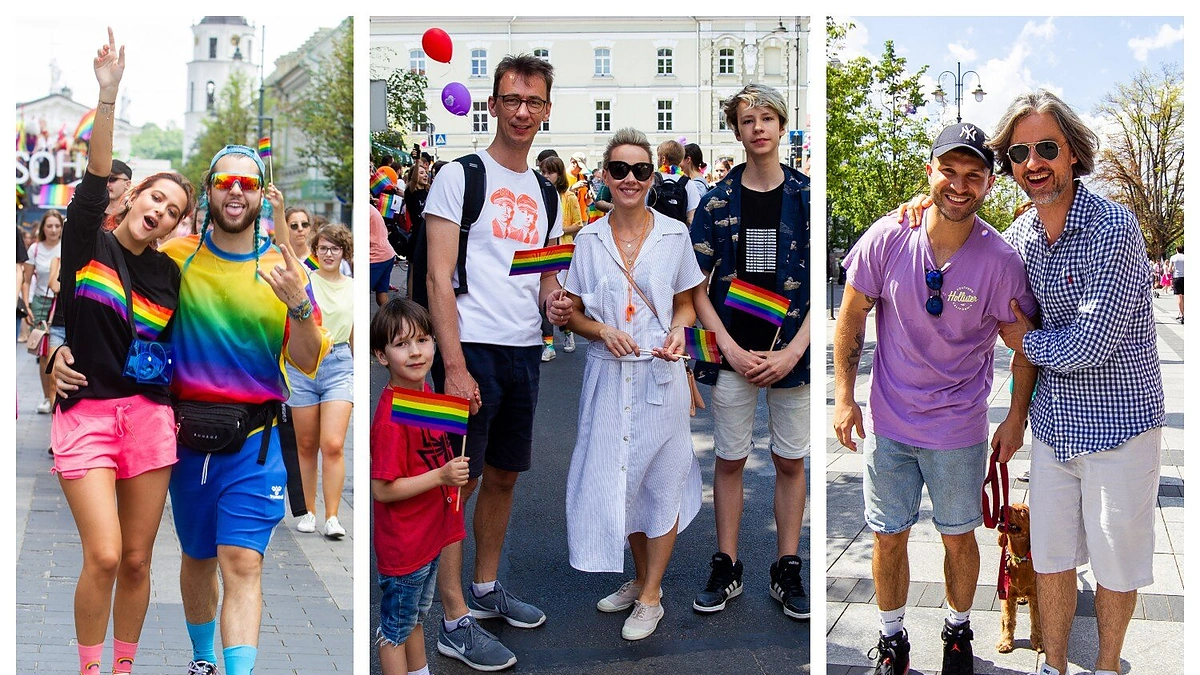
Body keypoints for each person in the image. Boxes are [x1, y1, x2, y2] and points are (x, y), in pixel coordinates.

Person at [835, 121, 1037, 675]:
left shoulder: (1000, 261)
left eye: (974, 174)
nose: (959, 184)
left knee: (958, 538)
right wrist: (844, 397)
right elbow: (851, 314)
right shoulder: (887, 237)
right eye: (949, 170)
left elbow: (1024, 345)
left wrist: (1015, 417)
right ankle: (891, 639)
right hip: (890, 424)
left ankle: (957, 633)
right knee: (887, 537)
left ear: (990, 183)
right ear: (930, 172)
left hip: (957, 428)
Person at [987, 90, 1165, 675]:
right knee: (1051, 557)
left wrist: (1025, 340)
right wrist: (923, 206)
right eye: (1019, 152)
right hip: (1055, 430)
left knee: (1115, 564)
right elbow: (971, 250)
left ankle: (1107, 664)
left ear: (1072, 153)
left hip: (1121, 428)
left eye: (1046, 147)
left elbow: (1092, 344)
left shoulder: (1113, 227)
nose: (1033, 162)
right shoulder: (1020, 237)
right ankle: (1054, 665)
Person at [48, 30, 195, 675]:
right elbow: (94, 176)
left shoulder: (170, 277)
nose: (160, 210)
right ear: (133, 197)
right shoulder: (88, 243)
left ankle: (124, 666)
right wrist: (107, 95)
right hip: (87, 415)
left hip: (150, 421)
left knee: (137, 559)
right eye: (155, 196)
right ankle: (89, 668)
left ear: (176, 226)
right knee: (105, 554)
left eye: (173, 210)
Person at [422, 53, 573, 671]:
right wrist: (454, 365)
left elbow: (543, 280)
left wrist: (556, 303)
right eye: (512, 99)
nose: (522, 112)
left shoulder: (547, 192)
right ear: (493, 105)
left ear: (546, 110)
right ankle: (452, 617)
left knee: (505, 475)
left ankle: (485, 589)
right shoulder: (460, 176)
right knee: (458, 480)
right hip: (469, 349)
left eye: (533, 102)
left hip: (523, 350)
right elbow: (436, 278)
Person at [562, 127, 705, 640]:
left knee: (661, 482)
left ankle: (651, 595)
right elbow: (572, 312)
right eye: (620, 169)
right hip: (607, 377)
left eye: (640, 170)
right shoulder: (588, 240)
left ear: (652, 176)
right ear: (605, 174)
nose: (630, 179)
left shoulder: (674, 235)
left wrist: (679, 330)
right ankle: (642, 579)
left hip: (660, 376)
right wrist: (601, 330)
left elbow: (686, 302)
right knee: (621, 481)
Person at [689, 83, 813, 622]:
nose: (758, 127)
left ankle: (787, 566)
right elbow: (695, 285)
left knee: (789, 460)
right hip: (733, 352)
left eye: (766, 118)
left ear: (782, 126)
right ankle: (727, 564)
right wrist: (729, 349)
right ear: (736, 131)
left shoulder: (808, 196)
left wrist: (793, 352)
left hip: (791, 355)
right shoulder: (716, 199)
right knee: (730, 458)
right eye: (747, 120)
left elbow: (829, 286)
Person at [370, 297, 471, 675]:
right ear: (381, 356)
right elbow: (382, 489)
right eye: (402, 344)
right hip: (405, 545)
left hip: (427, 537)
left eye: (423, 340)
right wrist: (441, 476)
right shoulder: (391, 417)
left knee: (414, 618)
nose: (415, 352)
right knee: (394, 631)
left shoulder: (422, 395)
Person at [289, 224, 354, 539]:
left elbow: (355, 333)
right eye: (323, 248)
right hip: (303, 364)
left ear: (344, 252)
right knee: (305, 444)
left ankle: (332, 516)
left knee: (333, 444)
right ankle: (308, 511)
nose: (329, 254)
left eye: (335, 248)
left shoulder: (353, 287)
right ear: (315, 250)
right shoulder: (305, 280)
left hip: (339, 363)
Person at [537, 155, 583, 360]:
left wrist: (557, 230)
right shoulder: (539, 195)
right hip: (544, 253)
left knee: (561, 298)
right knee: (544, 299)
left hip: (563, 254)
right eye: (543, 172)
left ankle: (567, 332)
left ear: (559, 174)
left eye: (550, 172)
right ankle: (548, 344)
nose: (546, 176)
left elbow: (578, 224)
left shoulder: (569, 197)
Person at [23, 209, 64, 413]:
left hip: (61, 303)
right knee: (43, 353)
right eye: (49, 226)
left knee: (57, 352)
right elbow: (26, 280)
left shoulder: (66, 246)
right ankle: (48, 397)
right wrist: (26, 305)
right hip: (40, 303)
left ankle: (58, 395)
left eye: (57, 226)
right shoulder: (35, 249)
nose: (53, 230)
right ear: (43, 228)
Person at [652, 140, 701, 225]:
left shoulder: (652, 180)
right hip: (679, 231)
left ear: (663, 159)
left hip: (655, 230)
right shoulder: (688, 183)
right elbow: (691, 219)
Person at [370, 201, 399, 306]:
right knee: (382, 294)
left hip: (375, 257)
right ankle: (389, 316)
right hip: (386, 254)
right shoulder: (370, 208)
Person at [1169, 244, 1183, 323]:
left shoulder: (1173, 257)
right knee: (1183, 297)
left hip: (1177, 277)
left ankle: (1182, 314)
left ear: (1176, 250)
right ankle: (1182, 312)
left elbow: (1170, 269)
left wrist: (1173, 269)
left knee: (1179, 297)